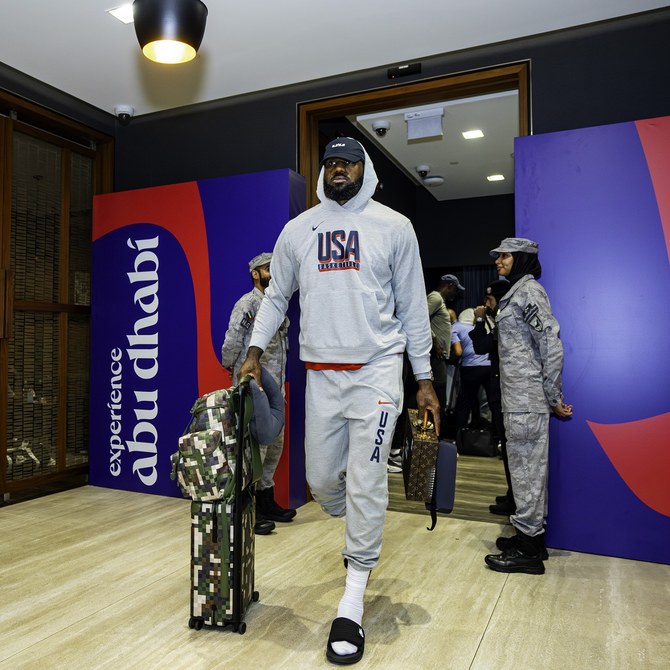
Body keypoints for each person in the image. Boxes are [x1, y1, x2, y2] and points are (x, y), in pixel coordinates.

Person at [237, 137, 440, 665]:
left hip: (376, 375)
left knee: (368, 478)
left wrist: (423, 379)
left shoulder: (394, 226)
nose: (338, 170)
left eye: (348, 162)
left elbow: (414, 307)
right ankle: (359, 516)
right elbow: (276, 294)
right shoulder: (297, 230)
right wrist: (254, 351)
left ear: (364, 168)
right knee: (325, 481)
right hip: (321, 376)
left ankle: (352, 597)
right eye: (330, 163)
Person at [483, 238, 572, 575]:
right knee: (526, 473)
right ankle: (529, 537)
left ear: (521, 258)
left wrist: (553, 397)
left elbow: (550, 343)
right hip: (518, 400)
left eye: (504, 255)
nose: (498, 261)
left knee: (526, 474)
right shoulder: (516, 293)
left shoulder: (528, 293)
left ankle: (529, 549)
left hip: (526, 402)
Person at [221, 252, 296, 536]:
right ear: (256, 273)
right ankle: (245, 511)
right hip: (253, 387)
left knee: (274, 444)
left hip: (275, 386)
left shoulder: (278, 305)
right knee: (252, 448)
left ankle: (265, 502)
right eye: (268, 269)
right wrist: (233, 370)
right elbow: (232, 342)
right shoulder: (248, 304)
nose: (273, 273)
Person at [470, 279, 514, 515]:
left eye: (489, 300)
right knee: (507, 448)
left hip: (505, 393)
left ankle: (514, 499)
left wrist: (478, 320)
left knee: (509, 449)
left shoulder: (506, 320)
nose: (485, 304)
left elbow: (481, 346)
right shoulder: (501, 320)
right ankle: (512, 494)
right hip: (503, 391)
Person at [450, 308, 492, 432]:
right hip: (488, 366)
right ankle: (493, 436)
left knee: (465, 402)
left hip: (470, 368)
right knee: (490, 403)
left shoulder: (456, 327)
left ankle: (460, 436)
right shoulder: (484, 326)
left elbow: (458, 352)